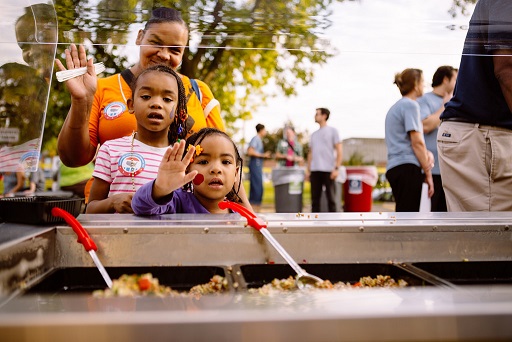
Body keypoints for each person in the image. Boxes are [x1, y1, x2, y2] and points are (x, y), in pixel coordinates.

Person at [56, 7, 224, 168]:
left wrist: (241, 199)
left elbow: (224, 159)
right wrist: (80, 102)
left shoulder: (199, 91)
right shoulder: (99, 88)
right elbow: (74, 158)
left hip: (183, 198)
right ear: (139, 37)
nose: (164, 55)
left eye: (175, 50)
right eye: (155, 43)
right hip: (114, 198)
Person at [438, 0, 512, 212]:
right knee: (491, 240)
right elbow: (507, 66)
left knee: (485, 240)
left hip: (487, 136)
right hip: (486, 138)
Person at [86, 64, 188, 213]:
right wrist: (113, 202)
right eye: (146, 97)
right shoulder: (111, 150)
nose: (156, 104)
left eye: (167, 99)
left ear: (178, 110)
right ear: (131, 105)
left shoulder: (183, 158)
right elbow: (90, 210)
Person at [132, 127, 243, 215]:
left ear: (236, 174)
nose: (216, 169)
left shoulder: (240, 215)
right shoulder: (177, 203)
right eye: (203, 162)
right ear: (187, 170)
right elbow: (140, 206)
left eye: (226, 162)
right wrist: (160, 188)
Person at [385, 68, 434, 212]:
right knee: (409, 219)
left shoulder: (395, 107)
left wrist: (426, 153)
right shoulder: (410, 105)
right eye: (423, 81)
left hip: (395, 168)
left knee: (402, 215)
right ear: (416, 84)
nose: (424, 85)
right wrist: (428, 173)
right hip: (407, 168)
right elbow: (417, 142)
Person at [417, 66, 457, 212]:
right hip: (431, 172)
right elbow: (425, 126)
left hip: (451, 172)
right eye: (455, 78)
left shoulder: (457, 102)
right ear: (446, 80)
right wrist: (445, 106)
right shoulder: (424, 100)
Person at [307, 108, 342, 212]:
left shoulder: (333, 131)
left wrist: (336, 168)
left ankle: (334, 224)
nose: (315, 116)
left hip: (328, 170)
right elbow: (310, 153)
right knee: (315, 200)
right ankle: (315, 224)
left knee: (331, 199)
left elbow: (339, 150)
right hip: (315, 170)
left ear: (324, 116)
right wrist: (308, 170)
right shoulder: (313, 135)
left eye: (317, 114)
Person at [246, 124, 271, 212]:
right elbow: (250, 151)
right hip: (255, 165)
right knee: (257, 186)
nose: (265, 132)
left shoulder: (258, 140)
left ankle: (255, 207)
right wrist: (263, 155)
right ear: (261, 130)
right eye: (265, 130)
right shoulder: (255, 139)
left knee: (256, 186)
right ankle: (254, 207)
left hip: (257, 166)